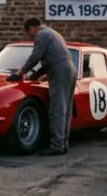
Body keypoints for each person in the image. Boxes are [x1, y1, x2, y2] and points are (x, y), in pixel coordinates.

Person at [13, 17, 76, 156]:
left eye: (29, 34)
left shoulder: (42, 35)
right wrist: (35, 75)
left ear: (32, 28)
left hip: (60, 72)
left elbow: (36, 56)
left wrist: (20, 72)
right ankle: (63, 143)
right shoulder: (53, 33)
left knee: (57, 109)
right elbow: (49, 59)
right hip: (69, 70)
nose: (31, 37)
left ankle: (57, 145)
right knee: (66, 108)